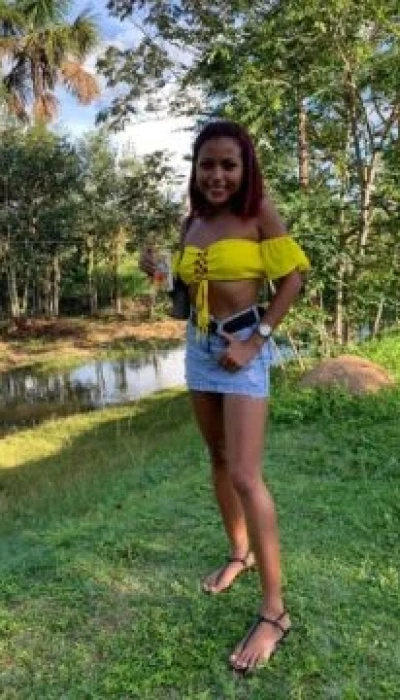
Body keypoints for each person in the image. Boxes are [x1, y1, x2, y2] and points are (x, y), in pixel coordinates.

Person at [140, 120, 310, 674]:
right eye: (207, 164)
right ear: (196, 169)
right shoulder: (191, 223)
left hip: (243, 350)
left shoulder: (259, 215)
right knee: (216, 459)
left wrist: (257, 340)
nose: (217, 175)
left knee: (244, 473)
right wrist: (161, 276)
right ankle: (240, 553)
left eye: (228, 165)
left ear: (245, 169)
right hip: (199, 348)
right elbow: (187, 294)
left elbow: (293, 278)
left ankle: (275, 612)